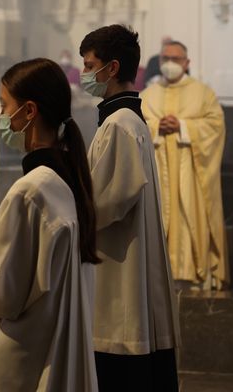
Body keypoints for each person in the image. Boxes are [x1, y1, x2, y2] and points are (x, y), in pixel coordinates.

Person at [0, 58, 99, 392]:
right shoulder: (63, 180)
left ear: (29, 111)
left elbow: (2, 290)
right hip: (47, 341)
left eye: (4, 107)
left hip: (22, 353)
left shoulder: (31, 191)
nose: (1, 117)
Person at [79, 24, 179, 391]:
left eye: (90, 66)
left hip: (118, 265)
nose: (85, 74)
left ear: (113, 68)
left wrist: (71, 209)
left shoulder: (120, 124)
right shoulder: (125, 120)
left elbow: (111, 200)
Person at [141, 40, 229, 290]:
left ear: (187, 62)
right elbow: (135, 127)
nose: (170, 63)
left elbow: (216, 126)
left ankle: (193, 273)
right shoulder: (147, 95)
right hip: (158, 174)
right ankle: (156, 277)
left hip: (191, 175)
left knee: (190, 214)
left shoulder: (203, 93)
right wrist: (156, 127)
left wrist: (182, 126)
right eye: (165, 59)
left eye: (176, 59)